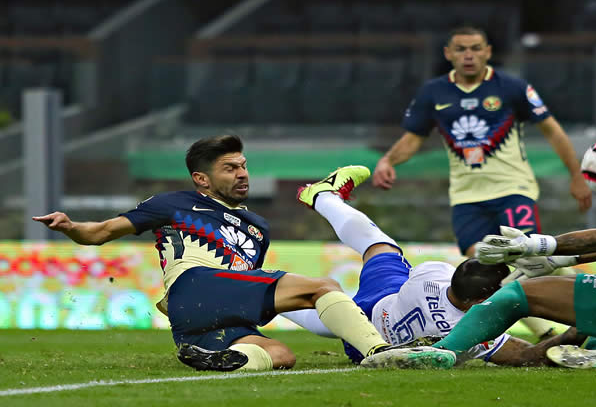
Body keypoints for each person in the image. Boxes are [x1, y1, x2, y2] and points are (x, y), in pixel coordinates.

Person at [364, 94, 596, 369]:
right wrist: (556, 258)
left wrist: (534, 245)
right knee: (587, 331)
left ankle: (440, 353)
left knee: (516, 293)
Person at [32, 135, 453, 371]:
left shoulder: (258, 225)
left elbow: (244, 277)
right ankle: (379, 352)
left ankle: (216, 358)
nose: (243, 174)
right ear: (202, 179)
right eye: (230, 168)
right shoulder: (173, 204)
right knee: (321, 287)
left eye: (244, 165)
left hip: (208, 316)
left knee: (281, 356)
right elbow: (103, 231)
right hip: (194, 286)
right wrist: (71, 228)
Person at [283, 171, 580, 366]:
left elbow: (470, 274)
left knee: (377, 244)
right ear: (479, 302)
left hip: (384, 301)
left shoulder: (431, 274)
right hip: (366, 344)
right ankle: (259, 288)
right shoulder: (470, 329)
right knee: (319, 318)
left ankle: (322, 196)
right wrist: (571, 337)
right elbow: (525, 355)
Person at [373, 26, 592, 257]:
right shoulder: (433, 92)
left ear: (487, 52)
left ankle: (543, 287)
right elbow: (412, 139)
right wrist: (388, 161)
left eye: (476, 48)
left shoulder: (512, 87)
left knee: (525, 256)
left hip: (513, 189)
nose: (469, 55)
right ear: (448, 54)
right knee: (479, 261)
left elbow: (552, 131)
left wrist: (576, 175)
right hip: (466, 196)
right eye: (461, 49)